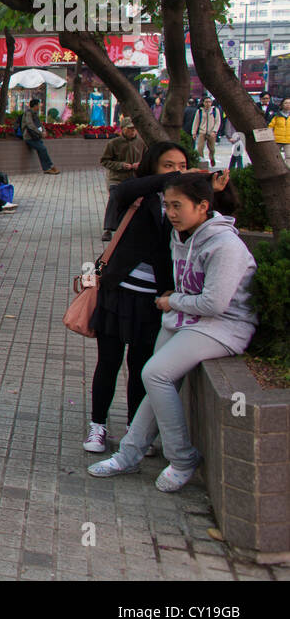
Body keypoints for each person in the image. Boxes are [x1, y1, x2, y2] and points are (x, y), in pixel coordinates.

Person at [89, 172, 255, 492]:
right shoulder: (181, 235)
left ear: (203, 206)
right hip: (185, 318)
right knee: (157, 380)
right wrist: (175, 305)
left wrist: (171, 301)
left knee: (154, 374)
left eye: (178, 206)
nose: (171, 213)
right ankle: (129, 453)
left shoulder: (225, 245)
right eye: (167, 206)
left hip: (223, 326)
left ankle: (182, 457)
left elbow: (216, 304)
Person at [82, 142, 188, 454]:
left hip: (156, 298)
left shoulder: (183, 202)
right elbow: (118, 195)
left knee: (141, 365)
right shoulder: (138, 192)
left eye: (182, 165)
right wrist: (169, 181)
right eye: (169, 165)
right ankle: (97, 426)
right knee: (109, 362)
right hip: (118, 291)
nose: (176, 171)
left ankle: (134, 429)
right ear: (154, 166)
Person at [99, 116, 146, 241]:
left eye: (134, 129)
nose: (133, 131)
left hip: (133, 177)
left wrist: (139, 165)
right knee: (114, 198)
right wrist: (120, 165)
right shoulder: (113, 144)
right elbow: (104, 161)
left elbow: (147, 159)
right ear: (123, 129)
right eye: (130, 129)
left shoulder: (141, 143)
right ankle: (108, 228)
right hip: (116, 178)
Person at [21, 98, 59, 174]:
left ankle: (46, 168)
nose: (39, 106)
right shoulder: (28, 113)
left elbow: (40, 124)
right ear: (35, 106)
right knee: (43, 149)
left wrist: (44, 130)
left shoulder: (35, 113)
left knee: (41, 150)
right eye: (38, 105)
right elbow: (30, 125)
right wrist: (40, 133)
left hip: (35, 136)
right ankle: (50, 166)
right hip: (29, 137)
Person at [190, 97, 221, 169]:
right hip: (202, 132)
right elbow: (196, 122)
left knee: (212, 149)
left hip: (211, 133)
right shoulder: (199, 111)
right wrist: (194, 132)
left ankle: (212, 158)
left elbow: (217, 122)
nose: (208, 103)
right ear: (203, 103)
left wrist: (214, 131)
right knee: (200, 149)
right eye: (206, 102)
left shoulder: (215, 110)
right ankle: (202, 163)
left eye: (209, 102)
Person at [272, 98, 290, 167]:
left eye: (289, 103)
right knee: (275, 156)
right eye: (286, 103)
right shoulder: (276, 115)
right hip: (277, 140)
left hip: (288, 140)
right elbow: (270, 126)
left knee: (289, 157)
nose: (288, 105)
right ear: (282, 105)